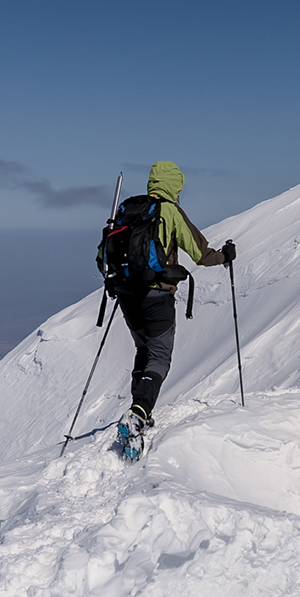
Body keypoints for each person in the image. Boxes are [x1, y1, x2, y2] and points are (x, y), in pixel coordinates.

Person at [119, 160, 234, 434]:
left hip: (125, 294)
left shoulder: (128, 209)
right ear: (174, 186)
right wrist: (225, 256)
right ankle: (139, 413)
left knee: (143, 349)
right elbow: (200, 253)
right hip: (156, 295)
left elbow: (103, 255)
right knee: (159, 356)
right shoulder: (169, 211)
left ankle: (140, 408)